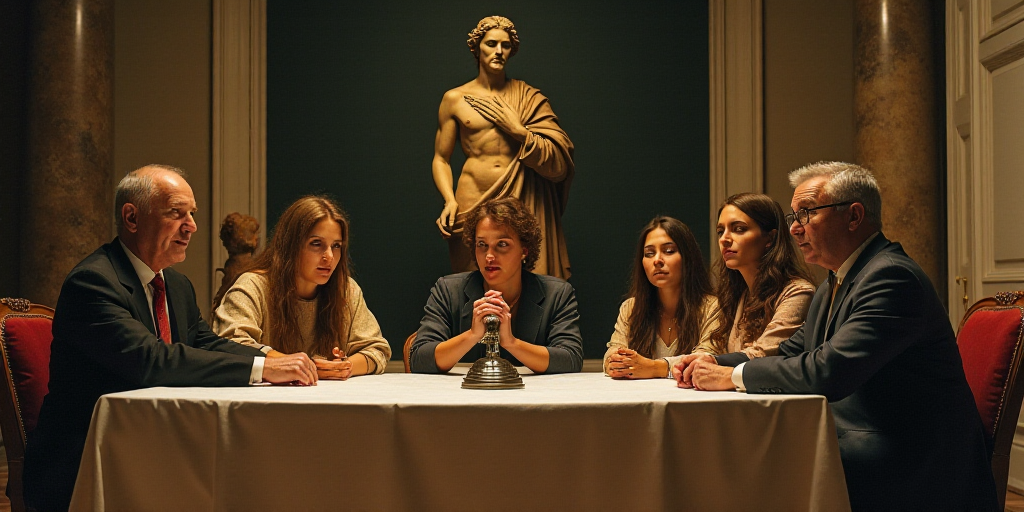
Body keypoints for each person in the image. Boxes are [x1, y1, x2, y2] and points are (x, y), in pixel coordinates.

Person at [674, 162, 997, 511]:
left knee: (746, 463)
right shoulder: (835, 281)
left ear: (854, 216)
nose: (794, 228)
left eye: (807, 213)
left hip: (913, 460)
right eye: (793, 216)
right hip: (871, 437)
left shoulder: (891, 277)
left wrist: (731, 375)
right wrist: (712, 361)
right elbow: (790, 350)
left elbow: (829, 371)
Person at [23, 165, 317, 511]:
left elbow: (207, 343)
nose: (191, 225)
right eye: (177, 213)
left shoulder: (176, 284)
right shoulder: (92, 282)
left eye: (192, 214)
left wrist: (275, 360)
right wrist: (263, 370)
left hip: (157, 448)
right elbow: (152, 360)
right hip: (86, 463)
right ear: (132, 218)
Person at [432, 15, 575, 279]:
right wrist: (449, 200)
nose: (498, 51)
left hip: (523, 201)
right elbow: (441, 158)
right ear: (477, 48)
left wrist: (518, 131)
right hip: (472, 200)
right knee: (473, 285)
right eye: (491, 43)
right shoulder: (455, 99)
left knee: (530, 285)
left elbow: (559, 162)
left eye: (505, 45)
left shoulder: (528, 98)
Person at [212, 196, 391, 379]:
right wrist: (291, 365)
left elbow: (377, 349)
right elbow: (230, 345)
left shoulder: (346, 290)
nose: (329, 256)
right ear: (291, 245)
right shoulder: (253, 287)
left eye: (336, 246)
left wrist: (345, 367)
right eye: (316, 244)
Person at [411, 197, 583, 374]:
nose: (489, 256)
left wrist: (511, 343)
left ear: (524, 251)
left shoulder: (557, 294)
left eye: (502, 244)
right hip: (464, 390)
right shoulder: (448, 290)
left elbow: (570, 360)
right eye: (482, 244)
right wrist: (472, 335)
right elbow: (420, 359)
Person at [691, 193, 815, 358]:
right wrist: (670, 364)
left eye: (739, 229)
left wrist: (710, 363)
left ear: (770, 238)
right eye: (721, 231)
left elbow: (762, 354)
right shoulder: (736, 295)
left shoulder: (797, 292)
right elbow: (710, 349)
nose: (724, 239)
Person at [603, 217, 718, 379]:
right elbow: (613, 351)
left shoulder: (712, 307)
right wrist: (615, 360)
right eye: (649, 254)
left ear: (688, 257)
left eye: (669, 251)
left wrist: (654, 368)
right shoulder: (631, 307)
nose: (657, 260)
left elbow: (707, 358)